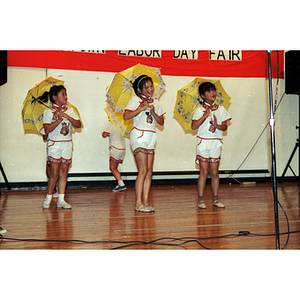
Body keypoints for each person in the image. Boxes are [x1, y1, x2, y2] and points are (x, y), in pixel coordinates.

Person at [124, 75, 165, 212]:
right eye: (146, 87)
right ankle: (138, 203)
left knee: (149, 171)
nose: (150, 89)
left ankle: (146, 202)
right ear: (139, 90)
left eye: (151, 86)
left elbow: (161, 122)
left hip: (151, 136)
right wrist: (142, 108)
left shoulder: (156, 102)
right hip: (139, 135)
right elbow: (126, 116)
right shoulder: (135, 100)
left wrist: (153, 111)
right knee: (142, 170)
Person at [191, 82, 231, 209]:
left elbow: (224, 127)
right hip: (203, 142)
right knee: (203, 171)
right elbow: (193, 126)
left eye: (213, 90)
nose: (212, 93)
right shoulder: (199, 110)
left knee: (214, 172)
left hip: (216, 142)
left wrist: (216, 125)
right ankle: (200, 200)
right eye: (208, 91)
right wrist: (204, 116)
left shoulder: (221, 109)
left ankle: (215, 199)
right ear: (202, 95)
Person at [41, 85, 82, 209]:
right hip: (54, 144)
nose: (65, 96)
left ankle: (61, 199)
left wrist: (68, 117)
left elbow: (78, 124)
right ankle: (48, 198)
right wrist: (58, 120)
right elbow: (47, 129)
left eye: (65, 94)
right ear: (54, 97)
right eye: (62, 94)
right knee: (54, 173)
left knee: (64, 172)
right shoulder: (48, 112)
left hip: (67, 144)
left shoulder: (69, 109)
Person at [102, 120, 127, 192]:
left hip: (115, 148)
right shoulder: (121, 124)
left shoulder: (112, 124)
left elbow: (105, 134)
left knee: (112, 168)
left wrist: (103, 132)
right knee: (115, 167)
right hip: (122, 148)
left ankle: (121, 184)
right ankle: (120, 183)